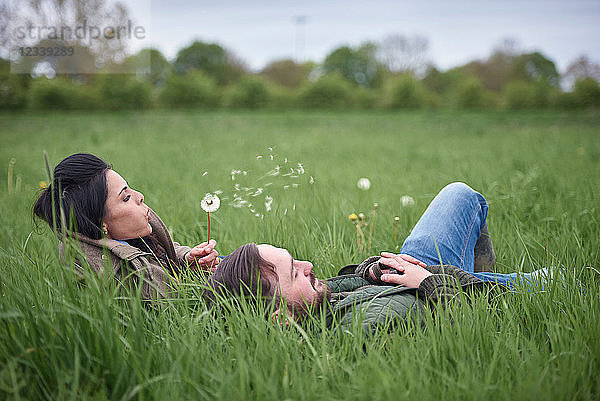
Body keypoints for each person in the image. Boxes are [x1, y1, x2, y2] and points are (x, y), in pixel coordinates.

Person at [205, 182, 553, 331]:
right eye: (295, 273)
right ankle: (482, 279)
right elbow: (462, 324)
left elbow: (355, 281)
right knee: (567, 284)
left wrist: (373, 269)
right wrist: (431, 282)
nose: (309, 266)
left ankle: (474, 269)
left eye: (296, 261)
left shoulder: (312, 305)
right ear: (280, 320)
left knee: (460, 195)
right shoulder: (364, 332)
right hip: (446, 289)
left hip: (416, 270)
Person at [33, 153, 219, 300]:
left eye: (130, 189)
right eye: (126, 197)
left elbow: (158, 257)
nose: (140, 195)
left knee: (242, 261)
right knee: (246, 259)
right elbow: (174, 300)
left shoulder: (123, 238)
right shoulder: (111, 272)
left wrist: (187, 259)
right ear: (100, 222)